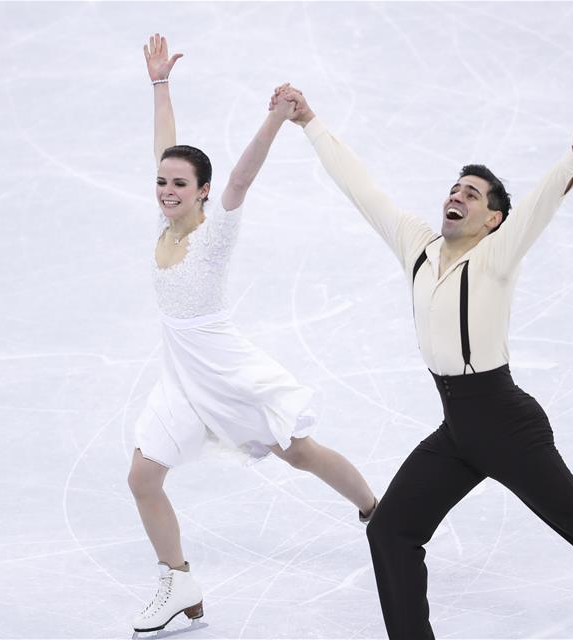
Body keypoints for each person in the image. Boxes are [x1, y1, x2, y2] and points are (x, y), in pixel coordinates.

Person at [272, 84, 573, 640]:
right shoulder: (418, 248)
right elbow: (362, 188)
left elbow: (539, 206)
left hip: (506, 424)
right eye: (455, 189)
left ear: (492, 219)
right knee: (391, 530)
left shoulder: (496, 254)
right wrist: (310, 122)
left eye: (472, 194)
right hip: (458, 429)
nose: (458, 197)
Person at [127, 36, 377, 634]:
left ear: (202, 192)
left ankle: (378, 511)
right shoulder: (164, 217)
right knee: (142, 477)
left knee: (300, 453)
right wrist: (160, 84)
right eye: (162, 183)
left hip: (225, 372)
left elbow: (240, 178)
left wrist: (277, 118)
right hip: (181, 380)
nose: (167, 191)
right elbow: (167, 147)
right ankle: (178, 581)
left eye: (180, 185)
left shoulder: (213, 234)